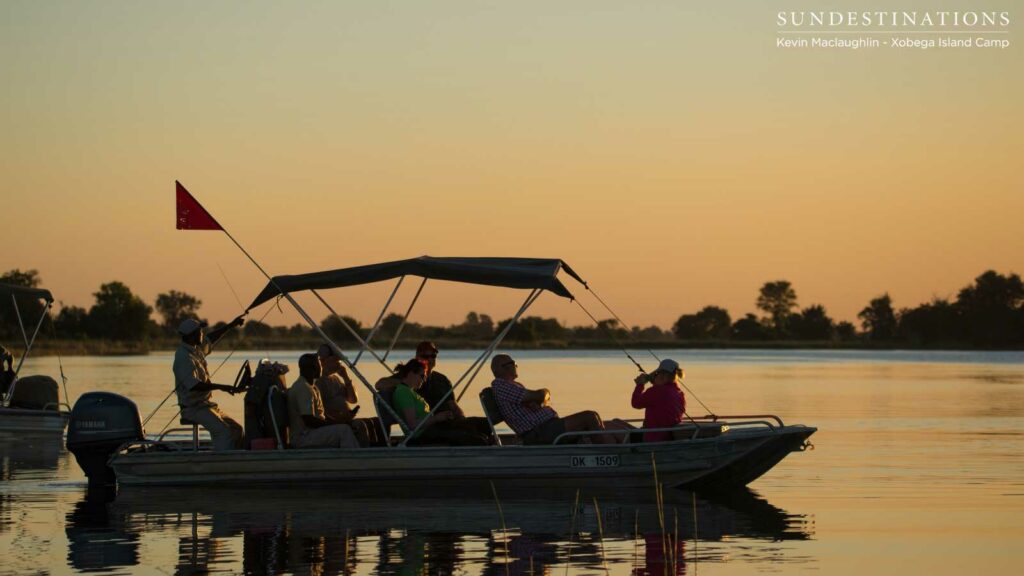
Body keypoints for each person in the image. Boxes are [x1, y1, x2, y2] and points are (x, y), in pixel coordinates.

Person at [489, 354, 616, 445]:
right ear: (502, 368)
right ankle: (608, 455)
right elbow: (539, 396)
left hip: (547, 427)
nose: (516, 366)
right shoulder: (502, 386)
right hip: (540, 432)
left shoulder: (512, 385)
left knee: (601, 421)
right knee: (590, 417)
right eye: (513, 363)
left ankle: (610, 449)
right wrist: (542, 394)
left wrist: (539, 398)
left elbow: (536, 398)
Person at [172, 317, 245, 451]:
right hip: (193, 409)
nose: (202, 334)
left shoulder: (195, 349)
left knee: (237, 429)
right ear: (191, 335)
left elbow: (211, 339)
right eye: (199, 332)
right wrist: (222, 387)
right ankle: (222, 463)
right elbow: (194, 385)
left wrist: (231, 325)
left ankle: (235, 459)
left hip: (206, 406)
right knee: (224, 432)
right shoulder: (183, 357)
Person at [392, 358, 489, 446]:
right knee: (475, 438)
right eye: (422, 376)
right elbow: (412, 425)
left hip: (434, 429)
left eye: (425, 377)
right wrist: (437, 418)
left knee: (482, 424)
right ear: (411, 373)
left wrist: (443, 417)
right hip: (424, 435)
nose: (423, 380)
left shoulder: (411, 391)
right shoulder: (403, 392)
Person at [414, 341, 492, 440]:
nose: (430, 359)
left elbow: (453, 405)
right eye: (425, 356)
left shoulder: (442, 379)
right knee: (473, 437)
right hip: (429, 426)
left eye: (433, 356)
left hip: (448, 422)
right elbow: (394, 382)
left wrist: (463, 421)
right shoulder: (410, 377)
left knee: (485, 424)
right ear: (417, 357)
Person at [287, 353, 360, 449]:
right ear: (312, 368)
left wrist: (340, 422)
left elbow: (321, 416)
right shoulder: (303, 388)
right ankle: (354, 461)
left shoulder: (312, 387)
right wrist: (334, 425)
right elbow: (309, 420)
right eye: (319, 365)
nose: (322, 367)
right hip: (303, 436)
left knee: (346, 427)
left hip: (311, 433)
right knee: (344, 431)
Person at [632, 358, 687, 442]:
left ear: (663, 376)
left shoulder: (656, 391)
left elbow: (635, 403)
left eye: (656, 374)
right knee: (616, 422)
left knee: (611, 425)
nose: (654, 376)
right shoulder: (679, 392)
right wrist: (653, 381)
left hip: (652, 437)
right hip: (667, 436)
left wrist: (640, 385)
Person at [315, 343, 359, 423]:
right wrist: (342, 418)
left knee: (375, 422)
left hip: (345, 421)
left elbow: (353, 400)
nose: (339, 363)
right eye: (336, 360)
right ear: (323, 361)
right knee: (361, 426)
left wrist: (346, 378)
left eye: (340, 361)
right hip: (333, 423)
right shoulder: (318, 382)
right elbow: (320, 410)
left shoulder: (336, 379)